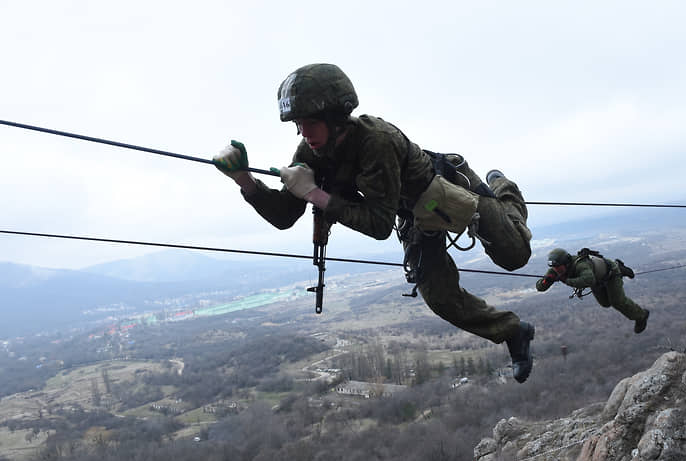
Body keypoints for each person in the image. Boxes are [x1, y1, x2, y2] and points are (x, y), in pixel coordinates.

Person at [213, 63, 536, 382]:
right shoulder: (311, 150)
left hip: (447, 191)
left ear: (336, 117)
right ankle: (513, 332)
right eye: (298, 123)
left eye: (311, 122)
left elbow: (378, 226)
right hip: (412, 215)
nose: (304, 132)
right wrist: (245, 180)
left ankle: (502, 188)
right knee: (441, 298)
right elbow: (285, 215)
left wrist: (314, 193)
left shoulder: (375, 141)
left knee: (514, 255)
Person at [537, 248, 649, 333]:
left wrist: (565, 280)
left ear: (566, 263)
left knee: (617, 301)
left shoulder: (581, 265)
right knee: (605, 303)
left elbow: (588, 280)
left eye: (559, 267)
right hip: (597, 280)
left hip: (611, 275)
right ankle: (617, 268)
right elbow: (540, 287)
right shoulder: (556, 269)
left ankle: (641, 315)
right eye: (555, 268)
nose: (556, 270)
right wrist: (547, 281)